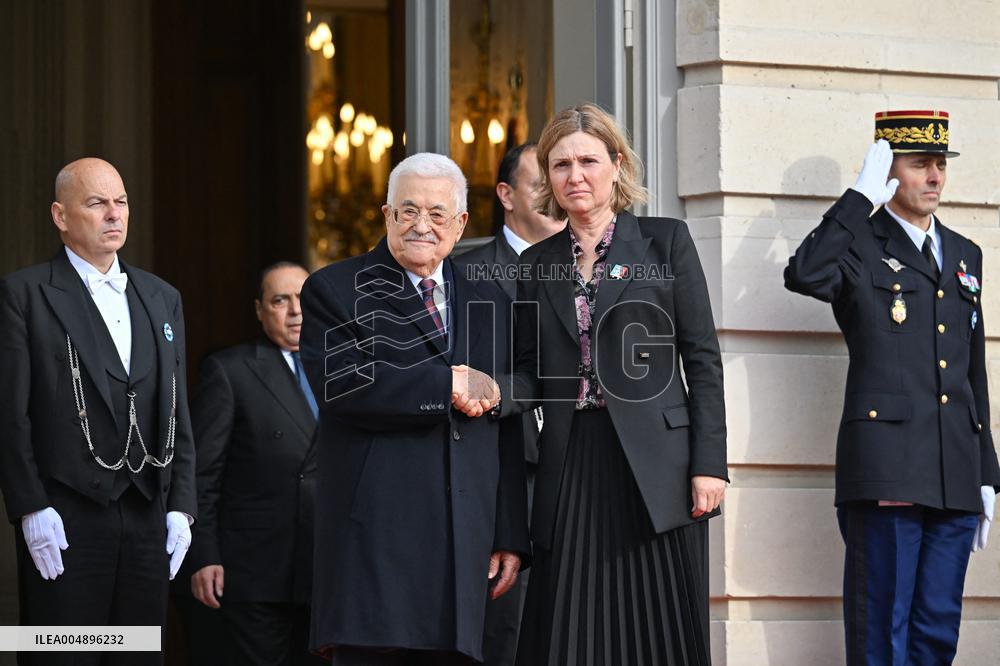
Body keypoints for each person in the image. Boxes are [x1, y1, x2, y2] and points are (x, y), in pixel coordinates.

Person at [511, 103, 728, 666]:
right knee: (571, 631)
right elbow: (531, 373)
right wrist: (488, 391)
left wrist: (710, 464)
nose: (574, 176)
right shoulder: (537, 263)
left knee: (658, 632)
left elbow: (702, 358)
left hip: (659, 466)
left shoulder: (666, 242)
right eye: (560, 165)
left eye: (587, 160)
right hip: (573, 462)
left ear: (616, 164)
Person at [785, 111, 1000, 665]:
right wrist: (858, 200)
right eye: (918, 164)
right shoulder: (858, 242)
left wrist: (987, 470)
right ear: (888, 170)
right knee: (883, 635)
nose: (933, 177)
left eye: (939, 164)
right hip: (887, 465)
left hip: (954, 468)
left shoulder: (964, 253)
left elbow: (972, 369)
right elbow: (804, 273)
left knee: (935, 634)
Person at [299, 152, 531, 665]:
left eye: (437, 214)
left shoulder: (490, 299)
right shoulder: (334, 289)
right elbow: (342, 385)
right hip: (375, 545)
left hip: (465, 546)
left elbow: (506, 429)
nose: (421, 225)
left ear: (461, 224)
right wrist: (444, 382)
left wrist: (510, 533)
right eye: (407, 211)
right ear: (386, 216)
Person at [0, 158, 196, 665]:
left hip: (147, 510)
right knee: (60, 655)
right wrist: (29, 506)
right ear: (60, 216)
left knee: (136, 655)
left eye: (122, 202)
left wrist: (182, 506)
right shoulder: (23, 294)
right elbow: (9, 412)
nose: (115, 214)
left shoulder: (163, 296)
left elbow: (178, 410)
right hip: (64, 516)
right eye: (97, 203)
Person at [453, 142, 563, 665]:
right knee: (503, 638)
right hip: (500, 484)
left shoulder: (591, 270)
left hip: (578, 478)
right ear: (505, 195)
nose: (555, 189)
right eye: (539, 179)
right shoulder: (462, 277)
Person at [181, 261, 323, 666]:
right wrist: (204, 553)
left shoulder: (343, 369)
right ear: (260, 310)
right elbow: (202, 474)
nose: (296, 311)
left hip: (325, 568)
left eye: (305, 299)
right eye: (281, 300)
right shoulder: (230, 371)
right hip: (255, 570)